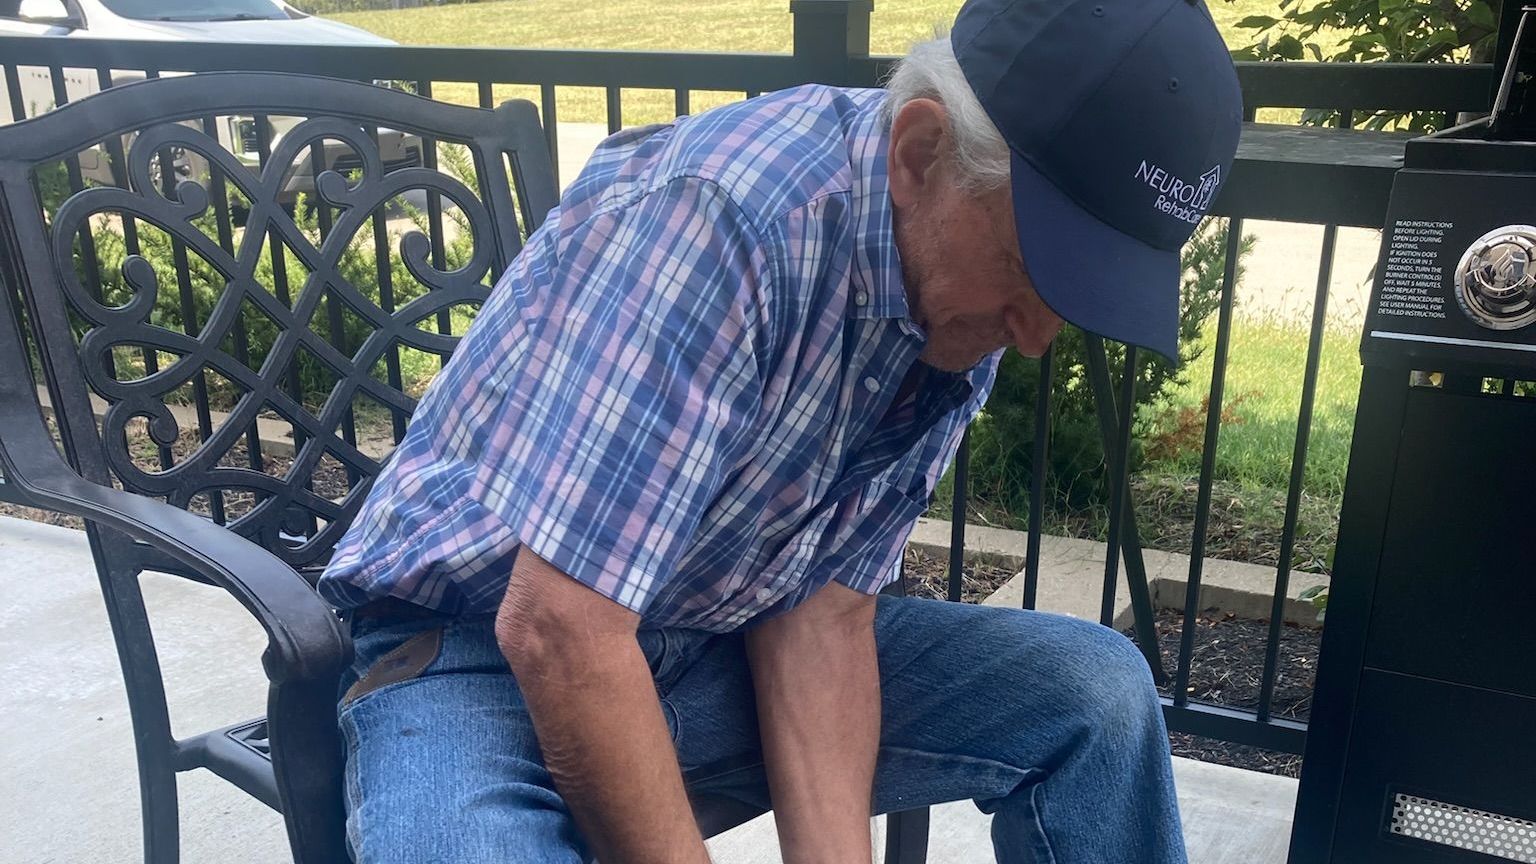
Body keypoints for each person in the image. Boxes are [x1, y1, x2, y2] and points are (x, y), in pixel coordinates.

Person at [317, 0, 1242, 859]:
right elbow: (559, 628)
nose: (1037, 336)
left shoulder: (960, 290)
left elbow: (824, 613)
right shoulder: (726, 217)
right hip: (473, 655)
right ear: (919, 151)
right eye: (1029, 268)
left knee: (1099, 695)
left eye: (1069, 294)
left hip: (712, 638)